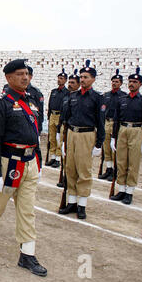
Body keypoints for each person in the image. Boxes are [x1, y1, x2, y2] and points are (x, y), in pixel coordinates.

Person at [0, 59, 47, 277]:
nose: (25, 77)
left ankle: (27, 254)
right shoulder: (0, 104)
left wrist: (38, 162)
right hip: (10, 164)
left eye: (26, 73)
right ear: (8, 77)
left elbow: (35, 136)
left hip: (30, 162)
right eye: (19, 74)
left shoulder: (33, 101)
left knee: (27, 209)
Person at [57, 60, 105, 219]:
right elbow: (67, 118)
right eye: (81, 77)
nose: (82, 80)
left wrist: (99, 143)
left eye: (86, 77)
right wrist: (63, 141)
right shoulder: (73, 96)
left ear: (93, 79)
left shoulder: (98, 98)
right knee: (70, 168)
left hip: (87, 134)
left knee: (83, 169)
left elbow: (101, 121)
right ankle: (71, 202)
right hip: (71, 134)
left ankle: (82, 204)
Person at [110, 67, 142, 205]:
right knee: (121, 161)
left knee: (133, 163)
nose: (131, 84)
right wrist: (113, 137)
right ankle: (121, 189)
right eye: (130, 81)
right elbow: (116, 119)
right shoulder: (122, 100)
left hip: (136, 130)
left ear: (140, 84)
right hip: (122, 130)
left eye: (134, 81)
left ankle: (129, 192)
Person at [99, 69, 126, 181]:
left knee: (115, 148)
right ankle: (108, 169)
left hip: (117, 124)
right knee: (106, 148)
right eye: (113, 81)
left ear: (121, 83)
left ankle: (115, 170)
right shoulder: (106, 95)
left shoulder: (124, 96)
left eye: (117, 81)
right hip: (107, 122)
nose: (114, 83)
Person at [46, 68, 69, 168]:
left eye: (62, 78)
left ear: (65, 80)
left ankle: (58, 159)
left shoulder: (67, 93)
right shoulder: (54, 91)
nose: (59, 80)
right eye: (58, 78)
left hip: (61, 116)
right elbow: (50, 104)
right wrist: (49, 116)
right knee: (52, 137)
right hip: (53, 115)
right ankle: (53, 156)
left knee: (59, 137)